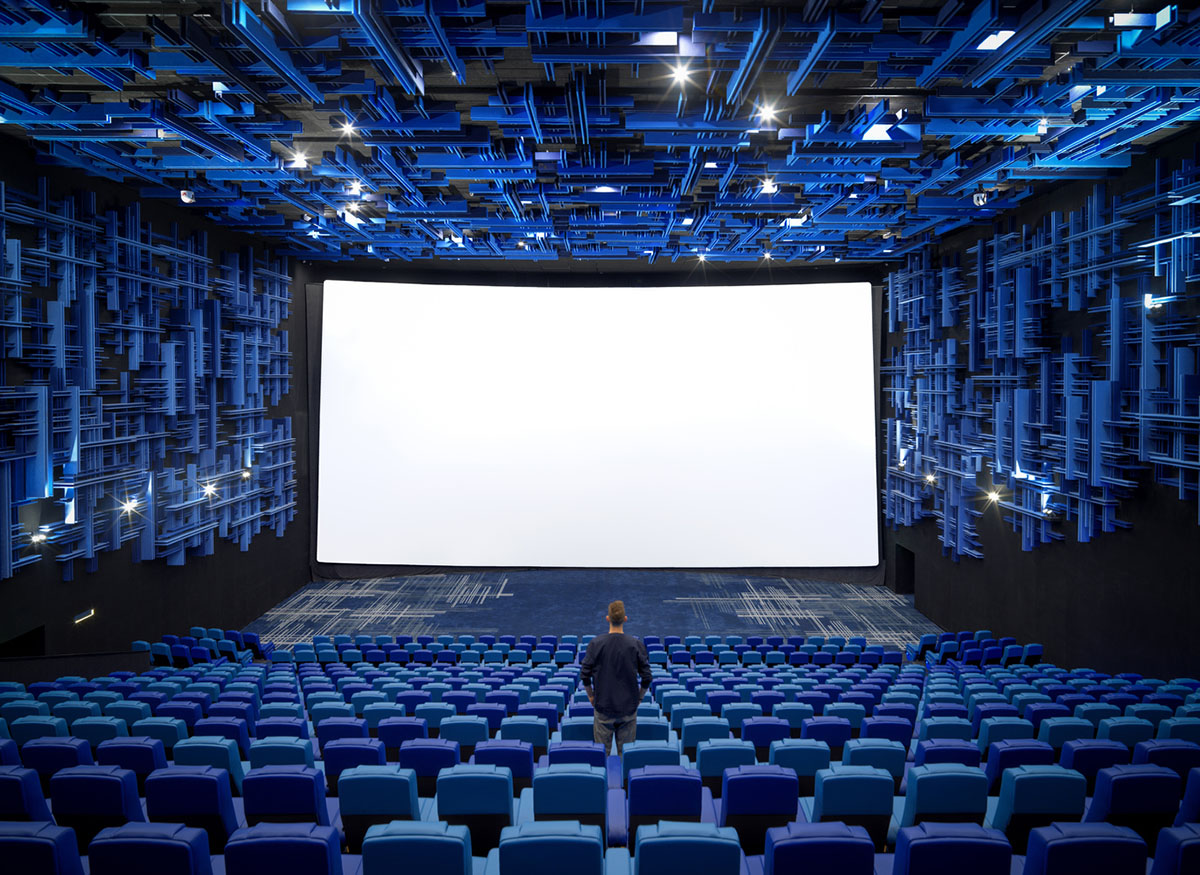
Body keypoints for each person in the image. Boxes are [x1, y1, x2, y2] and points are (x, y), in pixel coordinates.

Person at [580, 599, 652, 757]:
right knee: (626, 757)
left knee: (601, 757)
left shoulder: (595, 644)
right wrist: (638, 699)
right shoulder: (635, 644)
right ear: (625, 619)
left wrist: (591, 696)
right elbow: (647, 677)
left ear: (607, 618)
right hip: (628, 710)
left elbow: (584, 674)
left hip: (603, 709)